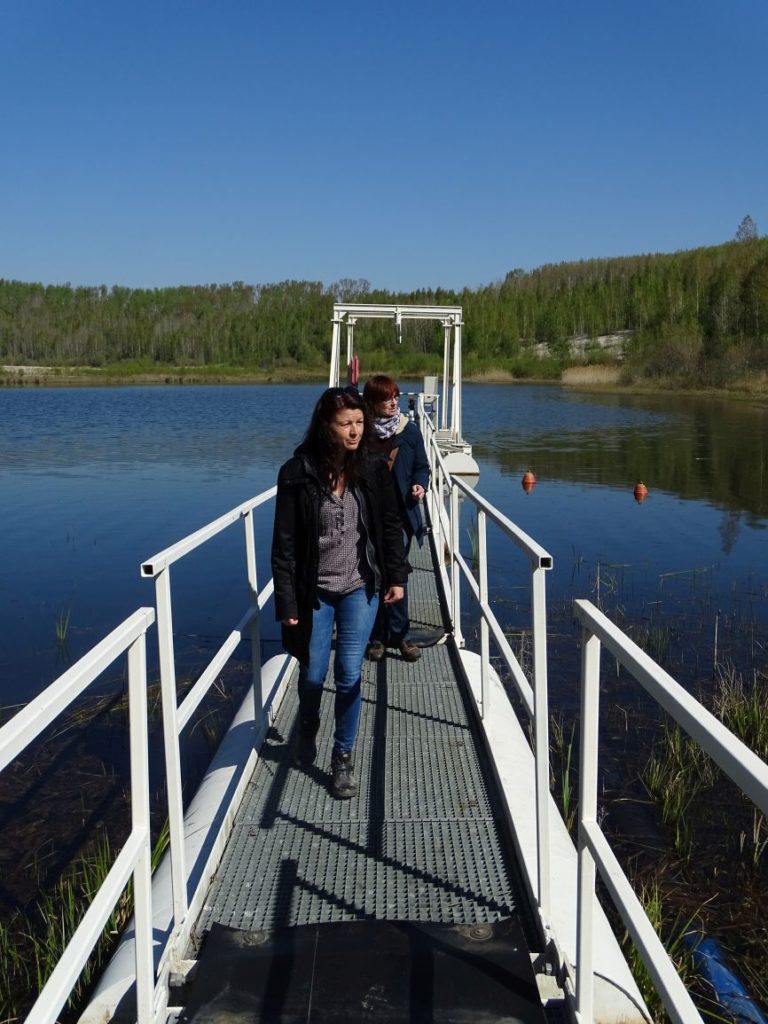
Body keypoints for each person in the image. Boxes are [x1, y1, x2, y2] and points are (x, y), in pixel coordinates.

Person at [271, 386, 408, 799]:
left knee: (349, 673)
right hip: (314, 592)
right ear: (326, 426)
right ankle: (308, 725)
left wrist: (397, 576)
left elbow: (389, 525)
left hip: (360, 586)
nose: (354, 430)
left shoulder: (372, 467)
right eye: (345, 423)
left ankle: (342, 757)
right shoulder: (297, 473)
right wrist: (287, 602)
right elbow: (284, 543)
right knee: (313, 674)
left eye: (360, 422)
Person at [362, 374, 431, 662]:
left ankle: (400, 636)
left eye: (396, 396)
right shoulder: (362, 433)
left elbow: (422, 467)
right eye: (387, 398)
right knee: (372, 573)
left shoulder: (409, 431)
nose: (393, 402)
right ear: (372, 403)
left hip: (400, 514)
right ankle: (376, 636)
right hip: (367, 515)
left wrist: (420, 485)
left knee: (396, 571)